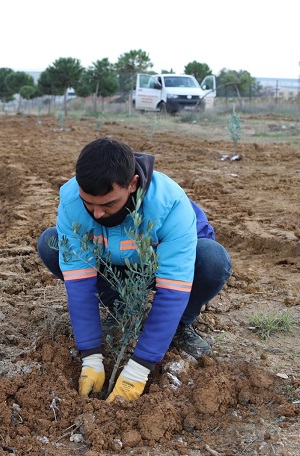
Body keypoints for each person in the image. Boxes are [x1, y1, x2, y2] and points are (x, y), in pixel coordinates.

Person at [37, 137, 232, 402]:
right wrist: (91, 357)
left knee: (212, 259)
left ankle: (181, 324)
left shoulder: (169, 203)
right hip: (113, 267)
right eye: (88, 203)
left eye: (108, 204)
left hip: (165, 267)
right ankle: (121, 311)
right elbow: (79, 285)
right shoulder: (71, 201)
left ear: (132, 185)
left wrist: (139, 369)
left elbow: (173, 289)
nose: (96, 214)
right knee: (51, 245)